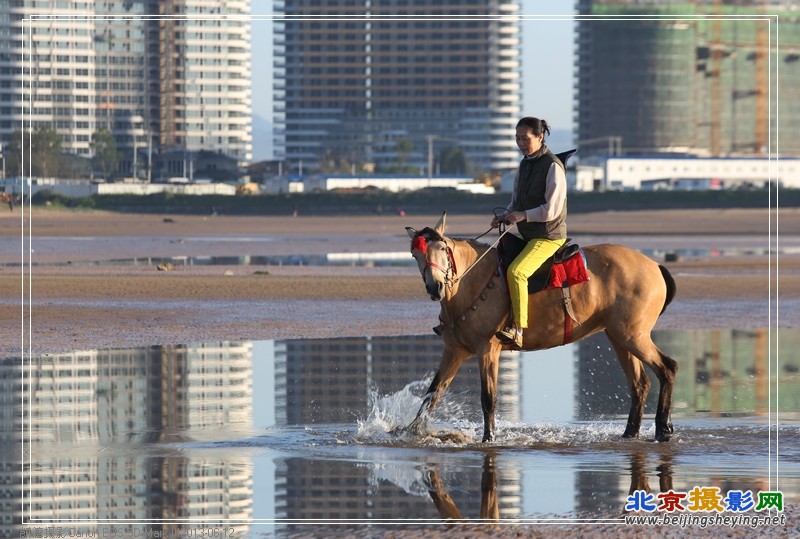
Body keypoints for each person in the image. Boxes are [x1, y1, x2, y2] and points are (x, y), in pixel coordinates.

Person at [491, 117, 568, 349]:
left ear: (540, 137)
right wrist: (504, 215)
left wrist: (522, 216)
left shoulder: (554, 166)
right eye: (517, 139)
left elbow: (552, 211)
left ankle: (518, 329)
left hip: (548, 237)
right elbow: (515, 202)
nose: (521, 143)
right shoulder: (524, 165)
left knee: (516, 273)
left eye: (525, 139)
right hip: (526, 235)